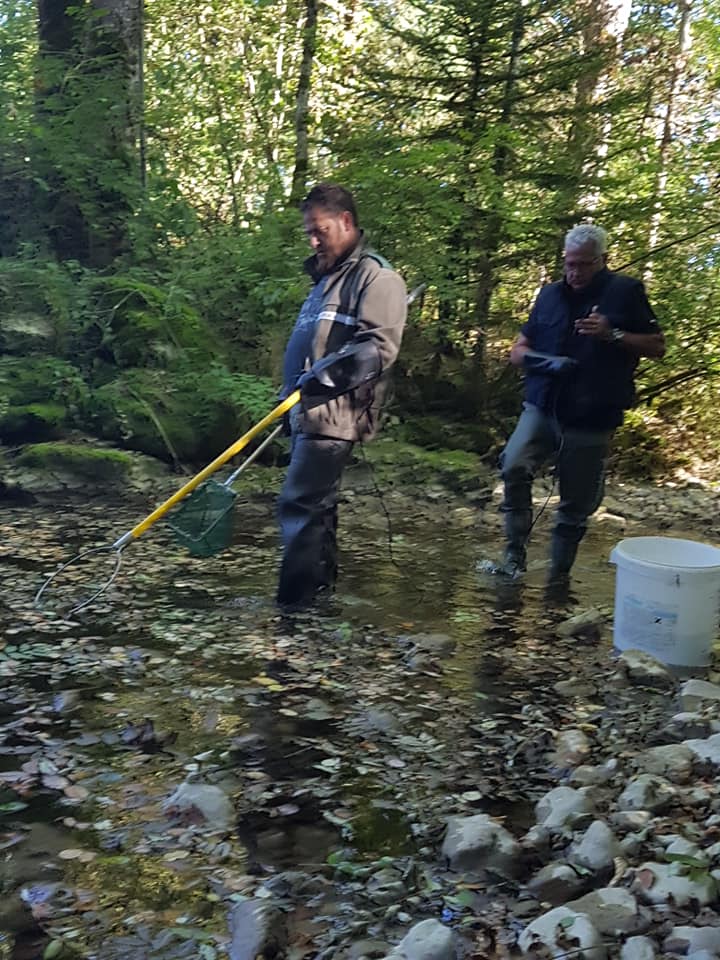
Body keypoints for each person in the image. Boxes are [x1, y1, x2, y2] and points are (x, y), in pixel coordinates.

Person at [493, 223, 665, 582]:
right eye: (569, 263)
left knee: (574, 503)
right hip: (542, 406)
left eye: (584, 264)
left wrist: (611, 334)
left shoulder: (626, 292)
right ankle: (513, 557)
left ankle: (558, 579)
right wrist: (544, 362)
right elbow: (518, 350)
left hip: (592, 413)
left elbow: (656, 346)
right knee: (513, 465)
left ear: (603, 259)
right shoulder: (548, 295)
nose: (575, 272)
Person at [276, 183, 407, 612]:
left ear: (346, 221)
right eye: (309, 233)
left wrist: (319, 380)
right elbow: (311, 344)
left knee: (299, 504)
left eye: (321, 231)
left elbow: (377, 349)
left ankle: (293, 612)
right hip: (307, 411)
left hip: (337, 413)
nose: (313, 241)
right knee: (318, 508)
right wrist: (287, 397)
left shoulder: (377, 277)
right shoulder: (327, 278)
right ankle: (318, 603)